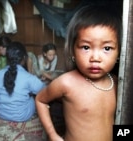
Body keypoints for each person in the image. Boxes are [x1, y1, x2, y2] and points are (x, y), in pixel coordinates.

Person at [35, 5, 121, 141]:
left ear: (118, 53)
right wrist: (52, 134)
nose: (96, 58)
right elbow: (40, 100)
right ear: (73, 51)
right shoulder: (66, 82)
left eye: (107, 48)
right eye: (86, 47)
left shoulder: (117, 82)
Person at [0, 41, 46, 122]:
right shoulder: (28, 77)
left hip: (1, 112)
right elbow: (44, 90)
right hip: (21, 115)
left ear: (7, 58)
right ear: (24, 58)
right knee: (34, 97)